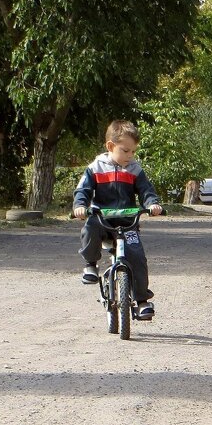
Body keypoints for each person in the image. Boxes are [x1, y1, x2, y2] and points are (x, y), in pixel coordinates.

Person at [72, 120, 163, 320]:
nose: (130, 156)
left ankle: (141, 301)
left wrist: (152, 204)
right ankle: (90, 265)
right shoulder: (95, 168)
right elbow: (83, 190)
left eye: (133, 152)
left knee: (137, 256)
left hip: (127, 222)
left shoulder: (135, 170)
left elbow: (146, 190)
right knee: (90, 227)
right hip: (102, 220)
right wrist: (80, 206)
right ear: (110, 147)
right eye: (125, 151)